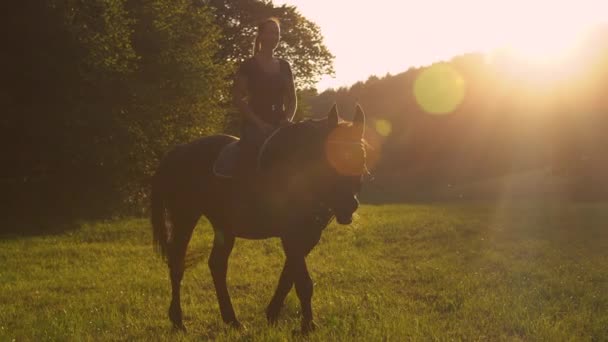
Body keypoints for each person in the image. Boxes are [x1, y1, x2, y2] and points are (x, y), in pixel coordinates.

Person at [232, 17, 297, 176]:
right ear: (260, 36)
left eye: (277, 33)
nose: (274, 37)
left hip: (279, 126)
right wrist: (259, 123)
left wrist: (287, 119)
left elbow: (292, 99)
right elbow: (238, 98)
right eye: (270, 32)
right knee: (253, 162)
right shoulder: (248, 65)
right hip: (255, 126)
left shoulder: (284, 66)